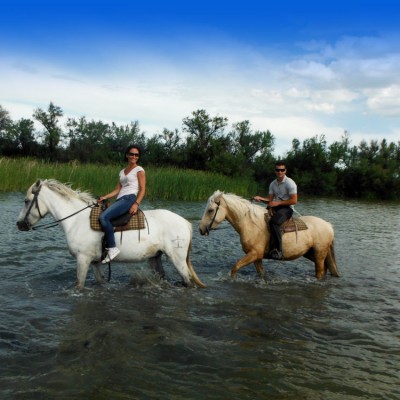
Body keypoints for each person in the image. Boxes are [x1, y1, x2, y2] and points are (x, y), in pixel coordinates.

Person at [98, 144, 146, 263]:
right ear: (127, 155)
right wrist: (105, 196)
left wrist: (136, 204)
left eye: (136, 155)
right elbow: (117, 190)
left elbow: (143, 189)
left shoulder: (139, 170)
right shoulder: (122, 172)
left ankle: (113, 248)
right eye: (131, 154)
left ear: (138, 157)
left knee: (103, 217)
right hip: (120, 199)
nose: (134, 156)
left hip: (129, 199)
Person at [253, 161, 297, 260]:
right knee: (259, 218)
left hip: (287, 208)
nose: (280, 172)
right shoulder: (273, 184)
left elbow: (294, 201)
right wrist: (260, 199)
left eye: (282, 170)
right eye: (278, 170)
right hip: (275, 206)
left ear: (285, 171)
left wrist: (278, 203)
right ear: (275, 171)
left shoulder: (290, 183)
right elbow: (270, 200)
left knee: (273, 222)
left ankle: (278, 250)